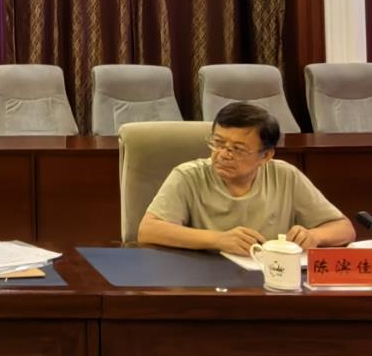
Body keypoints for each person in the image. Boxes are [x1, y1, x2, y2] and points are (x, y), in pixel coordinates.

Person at [137, 100, 354, 255]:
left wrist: (315, 236)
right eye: (218, 143)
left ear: (266, 155)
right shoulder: (188, 176)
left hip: (270, 279)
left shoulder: (285, 176)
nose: (223, 154)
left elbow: (344, 229)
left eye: (238, 149)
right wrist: (218, 239)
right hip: (206, 279)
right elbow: (148, 230)